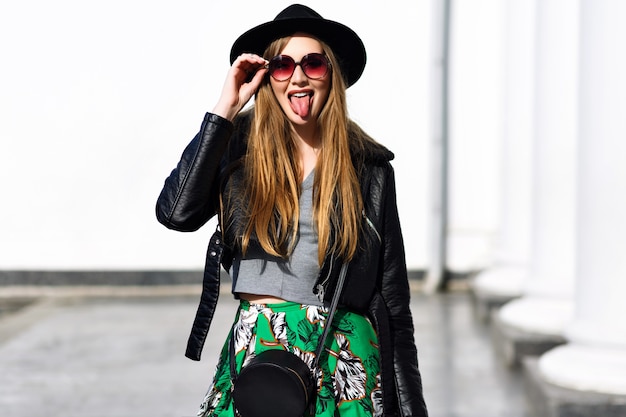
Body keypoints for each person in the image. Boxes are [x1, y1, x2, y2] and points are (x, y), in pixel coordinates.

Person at [156, 4, 428, 417]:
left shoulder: (369, 169)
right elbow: (176, 213)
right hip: (257, 350)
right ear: (267, 78)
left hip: (344, 360)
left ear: (331, 75)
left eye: (313, 64)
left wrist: (411, 410)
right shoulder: (237, 149)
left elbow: (394, 305)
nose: (298, 76)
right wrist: (223, 111)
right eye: (282, 65)